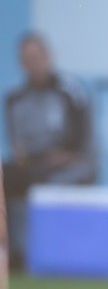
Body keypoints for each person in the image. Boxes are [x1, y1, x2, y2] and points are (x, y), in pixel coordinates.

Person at [3, 33, 97, 269]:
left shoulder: (71, 93)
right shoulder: (15, 98)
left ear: (48, 56)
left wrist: (61, 158)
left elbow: (82, 147)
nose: (33, 64)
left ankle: (57, 255)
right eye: (27, 59)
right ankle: (11, 253)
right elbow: (18, 148)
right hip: (34, 167)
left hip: (70, 166)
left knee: (53, 181)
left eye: (37, 57)